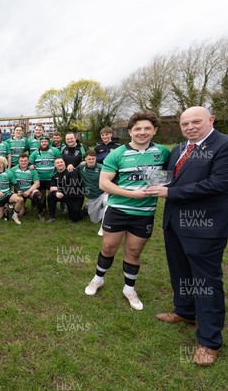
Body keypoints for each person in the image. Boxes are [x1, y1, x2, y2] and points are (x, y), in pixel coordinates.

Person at [146, 106, 228, 367]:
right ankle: (185, 311)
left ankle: (210, 341)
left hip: (206, 225)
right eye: (184, 123)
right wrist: (145, 181)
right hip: (175, 223)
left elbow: (219, 183)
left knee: (206, 280)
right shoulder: (180, 149)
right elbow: (169, 178)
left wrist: (170, 194)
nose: (190, 127)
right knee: (180, 271)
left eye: (196, 122)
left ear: (210, 120)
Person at [84, 110, 169, 312]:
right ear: (130, 131)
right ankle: (98, 279)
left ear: (154, 130)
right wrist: (132, 194)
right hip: (118, 210)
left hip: (145, 212)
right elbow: (104, 184)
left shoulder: (163, 153)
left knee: (133, 251)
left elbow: (168, 178)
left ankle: (129, 288)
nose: (142, 132)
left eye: (147, 128)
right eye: (137, 128)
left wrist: (163, 189)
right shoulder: (118, 154)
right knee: (108, 248)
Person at [76, 150, 108, 236]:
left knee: (107, 202)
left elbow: (111, 178)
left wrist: (108, 188)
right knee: (94, 220)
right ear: (85, 159)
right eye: (89, 159)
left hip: (102, 193)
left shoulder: (101, 167)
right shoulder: (81, 167)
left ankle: (106, 217)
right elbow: (73, 173)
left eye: (93, 159)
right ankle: (91, 208)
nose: (91, 161)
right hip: (91, 196)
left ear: (96, 158)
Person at [46, 158, 86, 223]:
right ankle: (52, 216)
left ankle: (85, 210)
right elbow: (52, 188)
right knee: (50, 196)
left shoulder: (72, 172)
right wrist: (56, 193)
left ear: (64, 163)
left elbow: (74, 186)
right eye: (57, 163)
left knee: (75, 218)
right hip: (62, 195)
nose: (60, 164)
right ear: (55, 165)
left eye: (61, 162)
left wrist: (59, 189)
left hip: (74, 196)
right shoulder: (54, 176)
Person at [29, 136, 62, 212]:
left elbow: (60, 161)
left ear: (49, 142)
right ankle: (43, 208)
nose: (44, 143)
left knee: (52, 194)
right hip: (40, 178)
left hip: (51, 178)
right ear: (40, 143)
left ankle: (52, 209)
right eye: (42, 142)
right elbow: (30, 162)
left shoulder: (55, 151)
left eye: (46, 142)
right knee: (42, 194)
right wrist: (31, 165)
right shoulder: (35, 152)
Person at [0, 156, 23, 225]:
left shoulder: (8, 173)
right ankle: (5, 208)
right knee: (0, 217)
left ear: (1, 165)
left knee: (20, 199)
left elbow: (15, 184)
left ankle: (15, 216)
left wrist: (19, 190)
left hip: (7, 194)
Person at [11, 153, 44, 221]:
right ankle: (21, 207)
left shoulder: (32, 170)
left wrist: (28, 191)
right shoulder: (13, 170)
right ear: (18, 161)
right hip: (19, 193)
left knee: (38, 195)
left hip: (29, 191)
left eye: (25, 161)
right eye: (21, 161)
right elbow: (9, 183)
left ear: (28, 161)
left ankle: (41, 214)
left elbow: (37, 183)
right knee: (20, 214)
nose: (23, 162)